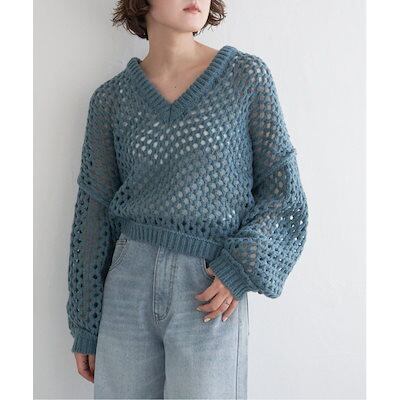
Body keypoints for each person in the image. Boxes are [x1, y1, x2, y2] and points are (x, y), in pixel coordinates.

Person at [65, 0, 309, 398]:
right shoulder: (110, 101)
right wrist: (85, 322)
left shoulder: (245, 78)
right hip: (126, 287)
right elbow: (92, 216)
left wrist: (240, 267)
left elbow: (284, 197)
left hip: (209, 288)